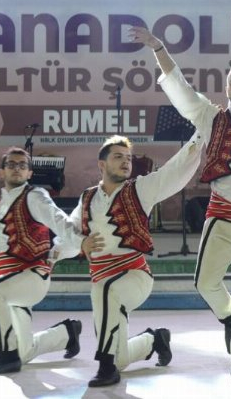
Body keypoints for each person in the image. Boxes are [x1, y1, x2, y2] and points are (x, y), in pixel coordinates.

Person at [129, 26, 231, 386]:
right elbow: (179, 86)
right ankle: (230, 319)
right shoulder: (211, 117)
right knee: (205, 282)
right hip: (221, 215)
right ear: (226, 88)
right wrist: (158, 47)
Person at [70, 133, 204, 387]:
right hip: (102, 278)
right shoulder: (87, 197)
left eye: (128, 158)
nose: (125, 162)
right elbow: (70, 229)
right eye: (118, 157)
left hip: (135, 275)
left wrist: (199, 137)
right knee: (120, 358)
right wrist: (78, 243)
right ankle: (154, 340)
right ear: (102, 164)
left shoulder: (140, 189)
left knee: (105, 290)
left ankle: (105, 366)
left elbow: (172, 172)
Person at [0, 147, 82, 375]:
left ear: (29, 173)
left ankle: (5, 357)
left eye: (23, 165)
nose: (17, 169)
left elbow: (61, 223)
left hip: (31, 277)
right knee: (24, 352)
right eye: (11, 164)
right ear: (1, 172)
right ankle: (66, 333)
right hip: (9, 280)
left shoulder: (34, 196)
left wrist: (64, 250)